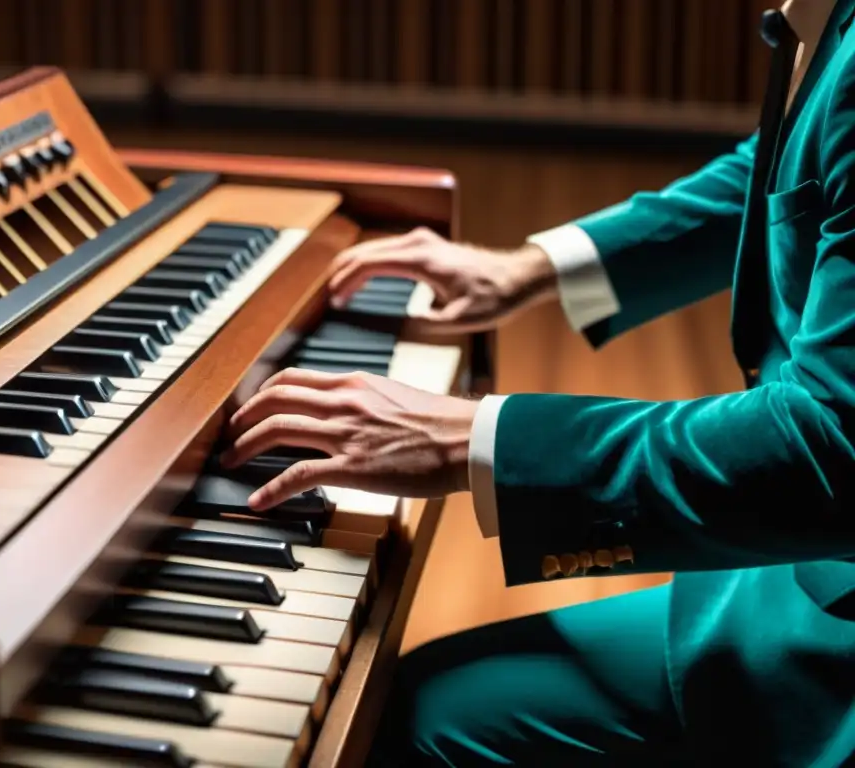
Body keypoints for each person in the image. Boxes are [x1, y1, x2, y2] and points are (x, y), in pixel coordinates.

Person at [222, 0, 855, 764]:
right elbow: (774, 170)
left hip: (830, 630)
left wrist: (478, 440)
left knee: (417, 725)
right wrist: (528, 269)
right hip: (789, 578)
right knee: (424, 702)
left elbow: (832, 446)